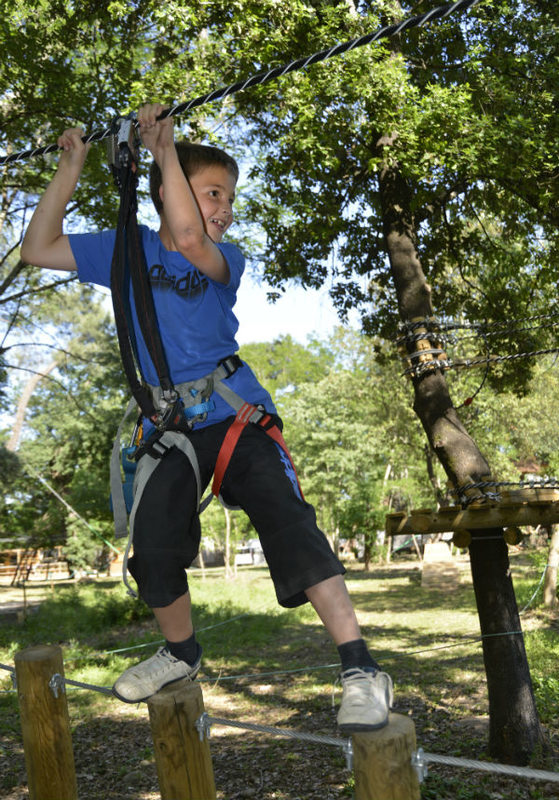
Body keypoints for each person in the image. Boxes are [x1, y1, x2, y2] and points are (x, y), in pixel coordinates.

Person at [21, 103, 393, 732]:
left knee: (286, 519)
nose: (224, 208)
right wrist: (72, 165)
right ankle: (181, 652)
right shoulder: (124, 250)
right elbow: (36, 248)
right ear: (170, 193)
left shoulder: (225, 259)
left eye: (229, 197)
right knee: (155, 547)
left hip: (233, 414)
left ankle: (360, 667)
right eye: (213, 192)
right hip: (170, 427)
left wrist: (164, 148)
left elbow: (191, 238)